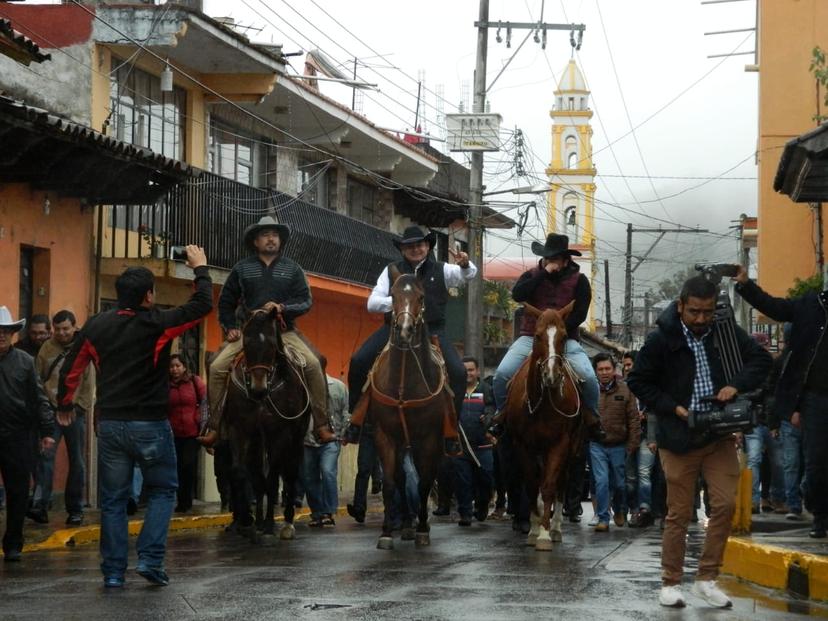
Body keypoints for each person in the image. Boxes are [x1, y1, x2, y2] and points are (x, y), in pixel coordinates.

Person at [58, 246, 212, 588]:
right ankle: (150, 559)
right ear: (148, 296)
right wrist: (199, 268)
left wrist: (64, 404)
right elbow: (201, 306)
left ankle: (113, 572)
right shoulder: (156, 323)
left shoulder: (96, 326)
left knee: (113, 501)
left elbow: (73, 367)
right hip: (151, 425)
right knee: (162, 490)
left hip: (110, 425)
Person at [627, 275, 771, 609]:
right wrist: (672, 408)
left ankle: (706, 579)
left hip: (718, 434)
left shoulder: (724, 331)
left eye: (707, 312)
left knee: (724, 506)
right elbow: (638, 380)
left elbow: (761, 360)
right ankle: (670, 582)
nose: (701, 319)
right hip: (677, 437)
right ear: (681, 306)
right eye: (694, 312)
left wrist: (734, 386)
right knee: (679, 513)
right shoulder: (660, 340)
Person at [201, 215, 334, 447]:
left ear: (280, 240)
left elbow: (305, 301)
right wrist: (230, 327)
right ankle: (214, 426)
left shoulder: (293, 269)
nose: (271, 239)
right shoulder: (241, 269)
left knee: (314, 363)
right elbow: (225, 302)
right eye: (265, 235)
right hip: (249, 334)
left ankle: (322, 424)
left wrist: (283, 307)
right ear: (255, 241)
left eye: (275, 235)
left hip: (285, 332)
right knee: (216, 366)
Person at [343, 225, 477, 454]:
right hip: (394, 329)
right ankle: (356, 421)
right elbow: (372, 303)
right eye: (410, 246)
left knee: (458, 372)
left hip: (432, 332)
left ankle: (451, 430)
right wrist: (401, 303)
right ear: (403, 250)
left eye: (420, 244)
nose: (415, 249)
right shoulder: (391, 270)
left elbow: (468, 275)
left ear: (427, 246)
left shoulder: (441, 269)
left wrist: (465, 263)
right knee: (358, 360)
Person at [733, 265, 828, 537]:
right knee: (817, 461)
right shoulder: (810, 305)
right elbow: (775, 307)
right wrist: (746, 285)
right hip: (815, 397)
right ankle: (821, 516)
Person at [490, 233, 601, 437]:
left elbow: (580, 313)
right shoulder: (531, 275)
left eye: (555, 258)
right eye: (548, 257)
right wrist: (543, 274)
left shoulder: (580, 281)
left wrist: (557, 332)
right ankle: (502, 413)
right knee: (501, 374)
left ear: (566, 260)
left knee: (589, 377)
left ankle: (592, 419)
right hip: (530, 337)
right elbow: (518, 295)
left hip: (565, 340)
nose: (550, 262)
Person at [0, 306, 55, 561]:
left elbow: (38, 397)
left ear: (12, 333)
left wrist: (47, 431)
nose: (1, 335)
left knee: (18, 491)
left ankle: (13, 543)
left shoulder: (24, 361)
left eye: (5, 331)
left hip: (17, 435)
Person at [30, 310, 95, 526]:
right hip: (50, 410)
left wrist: (79, 408)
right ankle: (40, 504)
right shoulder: (47, 348)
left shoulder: (83, 347)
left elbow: (88, 384)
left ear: (74, 327)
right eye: (57, 329)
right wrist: (43, 408)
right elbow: (37, 379)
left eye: (65, 328)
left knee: (77, 461)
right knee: (45, 457)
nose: (61, 333)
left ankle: (75, 509)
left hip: (75, 413)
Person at [590, 354, 640, 532]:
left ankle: (620, 509)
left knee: (620, 484)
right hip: (597, 444)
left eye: (607, 369)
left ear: (614, 370)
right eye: (600, 369)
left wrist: (632, 444)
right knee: (601, 481)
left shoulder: (626, 390)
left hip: (619, 445)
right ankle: (603, 517)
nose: (604, 372)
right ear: (595, 371)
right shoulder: (590, 391)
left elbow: (634, 419)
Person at [452, 357, 496, 526]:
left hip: (483, 445)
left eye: (471, 370)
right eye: (465, 370)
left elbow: (492, 407)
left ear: (478, 371)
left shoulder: (486, 389)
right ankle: (465, 513)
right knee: (463, 480)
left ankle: (482, 505)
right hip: (461, 446)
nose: (468, 373)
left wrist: (489, 416)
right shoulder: (455, 391)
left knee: (486, 479)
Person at [304, 375, 349, 527]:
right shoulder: (303, 387)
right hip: (307, 440)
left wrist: (344, 434)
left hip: (332, 438)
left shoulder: (338, 386)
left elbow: (345, 411)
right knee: (310, 478)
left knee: (328, 471)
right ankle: (317, 512)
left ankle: (328, 512)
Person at [167, 353, 206, 514]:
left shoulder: (194, 382)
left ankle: (187, 501)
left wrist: (201, 422)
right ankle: (180, 501)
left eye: (178, 366)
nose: (175, 369)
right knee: (176, 468)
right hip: (172, 434)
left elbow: (205, 403)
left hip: (192, 433)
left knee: (188, 465)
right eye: (172, 366)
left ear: (184, 367)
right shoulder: (165, 385)